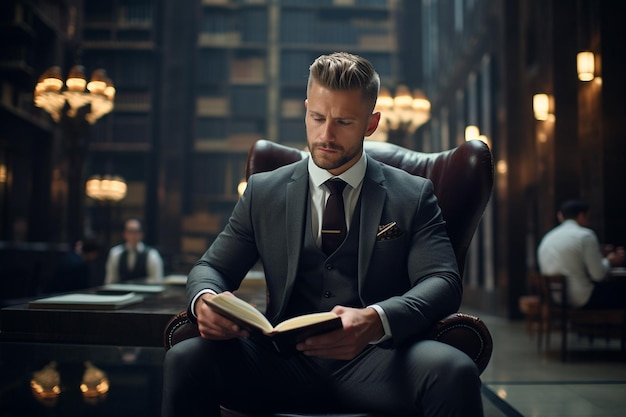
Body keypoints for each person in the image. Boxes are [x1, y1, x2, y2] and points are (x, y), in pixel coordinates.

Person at [162, 52, 483, 417]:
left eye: (344, 122)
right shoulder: (263, 192)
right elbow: (211, 268)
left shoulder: (414, 193)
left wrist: (377, 318)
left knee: (455, 371)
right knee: (185, 358)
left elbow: (443, 280)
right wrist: (204, 300)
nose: (326, 135)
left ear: (371, 123)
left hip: (379, 362)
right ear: (305, 110)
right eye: (317, 117)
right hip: (277, 364)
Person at [537, 198, 626, 309]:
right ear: (581, 216)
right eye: (588, 217)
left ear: (561, 216)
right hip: (581, 298)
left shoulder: (548, 237)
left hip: (556, 299)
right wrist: (610, 261)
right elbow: (598, 275)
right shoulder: (586, 235)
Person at [104, 218, 164, 284]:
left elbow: (157, 280)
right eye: (130, 231)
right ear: (124, 234)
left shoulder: (152, 254)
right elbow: (111, 280)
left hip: (144, 292)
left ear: (141, 234)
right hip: (121, 292)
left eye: (136, 231)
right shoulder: (116, 253)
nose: (133, 235)